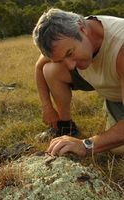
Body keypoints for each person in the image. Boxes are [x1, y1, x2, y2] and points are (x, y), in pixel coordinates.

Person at [32, 8, 124, 156]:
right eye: (62, 59)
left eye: (70, 53)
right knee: (51, 70)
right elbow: (39, 67)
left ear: (82, 29)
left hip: (118, 91)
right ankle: (65, 127)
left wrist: (86, 145)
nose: (70, 66)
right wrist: (47, 107)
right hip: (113, 86)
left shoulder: (120, 47)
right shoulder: (66, 38)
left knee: (117, 149)